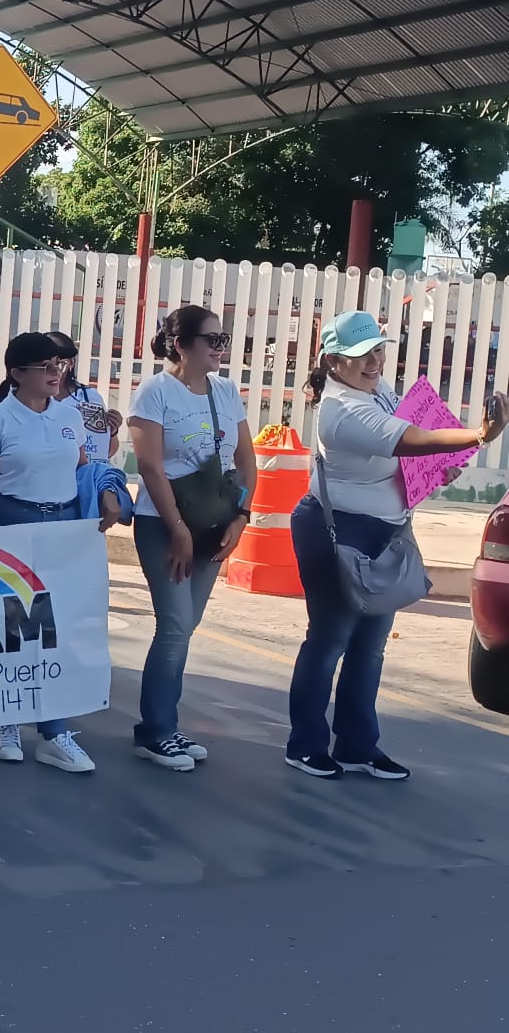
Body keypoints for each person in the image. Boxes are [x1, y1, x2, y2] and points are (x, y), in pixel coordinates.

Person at [285, 311, 508, 780]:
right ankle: (305, 745)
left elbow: (407, 453)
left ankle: (357, 747)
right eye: (361, 355)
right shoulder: (342, 410)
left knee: (370, 646)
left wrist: (435, 470)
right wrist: (479, 435)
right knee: (329, 640)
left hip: (383, 531)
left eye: (377, 351)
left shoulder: (377, 390)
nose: (374, 362)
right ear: (333, 362)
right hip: (338, 532)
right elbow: (413, 439)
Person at [0, 331, 115, 772]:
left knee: (54, 629)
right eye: (44, 366)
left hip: (63, 526)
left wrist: (106, 492)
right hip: (13, 522)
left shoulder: (70, 416)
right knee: (14, 627)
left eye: (57, 365)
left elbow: (83, 469)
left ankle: (53, 731)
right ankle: (7, 722)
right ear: (16, 373)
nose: (55, 373)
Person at [127, 304, 257, 771]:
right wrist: (178, 530)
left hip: (213, 522)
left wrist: (242, 515)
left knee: (186, 627)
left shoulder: (225, 391)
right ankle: (155, 731)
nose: (220, 348)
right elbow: (150, 467)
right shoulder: (155, 392)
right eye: (211, 340)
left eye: (224, 340)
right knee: (175, 624)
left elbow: (246, 460)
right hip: (164, 523)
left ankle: (166, 723)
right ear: (181, 345)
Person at [45, 330, 121, 462]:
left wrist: (113, 431)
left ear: (71, 363)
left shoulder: (90, 397)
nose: (53, 369)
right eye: (45, 364)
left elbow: (106, 452)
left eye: (60, 363)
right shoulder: (29, 398)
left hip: (83, 473)